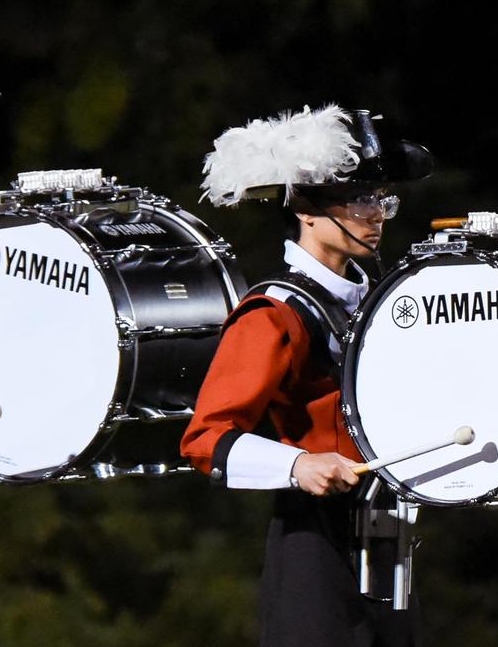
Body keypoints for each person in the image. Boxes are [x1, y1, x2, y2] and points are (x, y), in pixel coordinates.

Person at [183, 105, 434, 646]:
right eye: (361, 199)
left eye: (382, 198)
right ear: (308, 209)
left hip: (391, 537)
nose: (378, 213)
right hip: (314, 542)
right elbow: (205, 440)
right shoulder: (275, 311)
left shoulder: (383, 299)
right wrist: (298, 463)